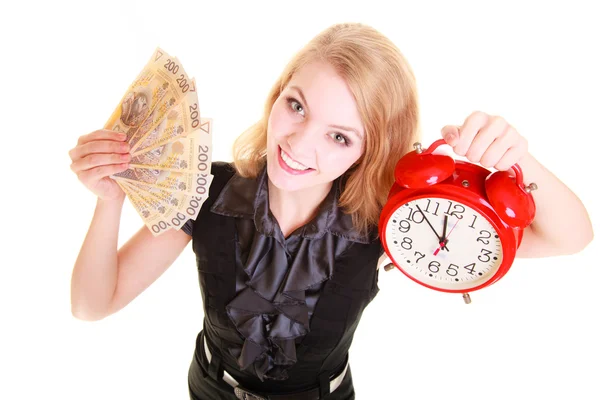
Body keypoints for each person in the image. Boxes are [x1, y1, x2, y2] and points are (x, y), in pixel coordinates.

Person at [68, 22, 593, 400]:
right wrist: (109, 203)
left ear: (370, 149)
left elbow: (570, 238)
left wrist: (519, 159)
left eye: (339, 135)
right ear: (278, 94)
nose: (298, 143)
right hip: (210, 390)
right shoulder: (205, 188)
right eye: (296, 105)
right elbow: (94, 304)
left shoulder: (390, 220)